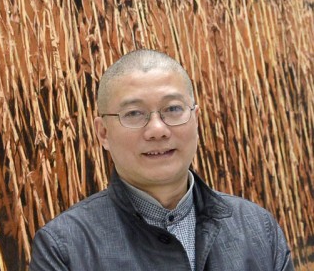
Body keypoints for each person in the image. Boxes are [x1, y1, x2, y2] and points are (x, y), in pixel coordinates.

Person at [29, 49, 294, 270]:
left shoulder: (258, 229)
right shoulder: (64, 249)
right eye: (134, 113)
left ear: (196, 120)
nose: (158, 129)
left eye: (173, 109)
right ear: (103, 133)